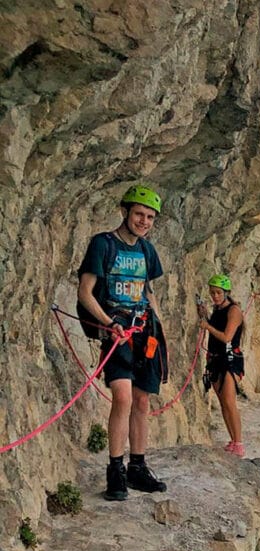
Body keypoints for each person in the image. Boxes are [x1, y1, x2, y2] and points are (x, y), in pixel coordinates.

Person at [76, 184, 169, 501]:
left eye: (150, 217)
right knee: (123, 397)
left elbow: (148, 292)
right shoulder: (103, 244)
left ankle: (137, 467)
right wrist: (108, 323)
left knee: (142, 401)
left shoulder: (146, 251)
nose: (144, 221)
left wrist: (158, 325)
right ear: (125, 211)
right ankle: (115, 470)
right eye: (140, 214)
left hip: (144, 333)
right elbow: (85, 293)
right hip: (116, 333)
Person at [198, 274, 245, 457]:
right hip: (216, 359)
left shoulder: (234, 311)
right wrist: (205, 316)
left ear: (226, 293)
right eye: (212, 293)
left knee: (229, 402)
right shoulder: (218, 310)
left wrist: (207, 327)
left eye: (218, 293)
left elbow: (226, 337)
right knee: (223, 402)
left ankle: (239, 442)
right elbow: (214, 326)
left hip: (229, 359)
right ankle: (233, 440)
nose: (215, 296)